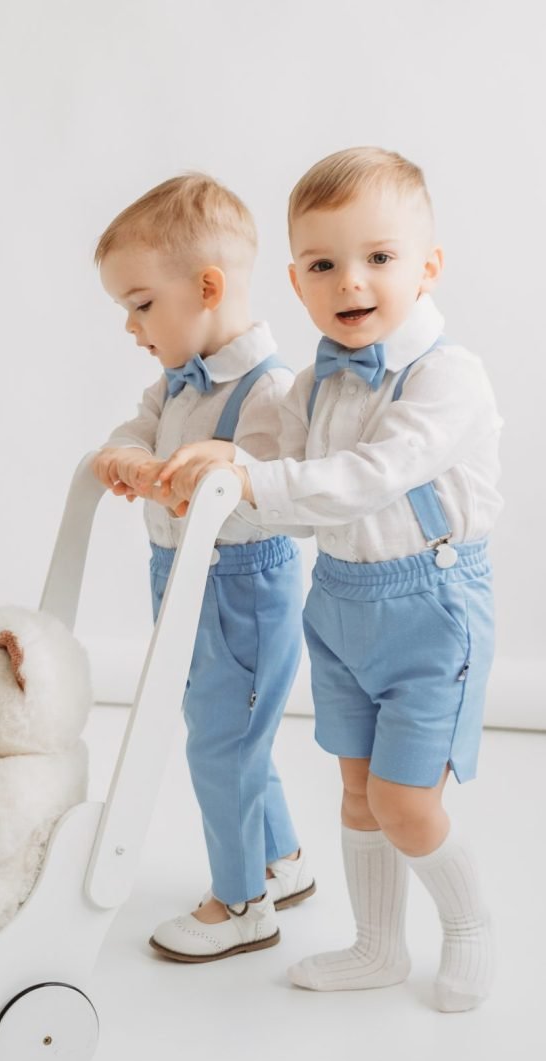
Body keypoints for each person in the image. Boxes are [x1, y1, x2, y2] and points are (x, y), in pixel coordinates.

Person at [157, 147, 501, 1010]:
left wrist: (250, 477)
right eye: (323, 264)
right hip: (340, 607)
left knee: (404, 802)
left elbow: (367, 477)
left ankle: (469, 926)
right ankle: (377, 946)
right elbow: (276, 481)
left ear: (428, 267)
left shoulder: (447, 379)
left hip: (432, 609)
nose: (352, 281)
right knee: (356, 791)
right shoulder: (312, 383)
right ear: (297, 281)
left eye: (379, 258)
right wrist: (207, 475)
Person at [91, 173, 314, 963]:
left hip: (243, 589)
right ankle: (280, 860)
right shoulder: (174, 384)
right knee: (228, 729)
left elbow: (280, 489)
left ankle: (242, 902)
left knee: (222, 744)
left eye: (142, 303)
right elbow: (140, 425)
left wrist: (223, 471)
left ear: (209, 287)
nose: (131, 325)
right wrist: (126, 454)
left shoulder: (272, 392)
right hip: (181, 581)